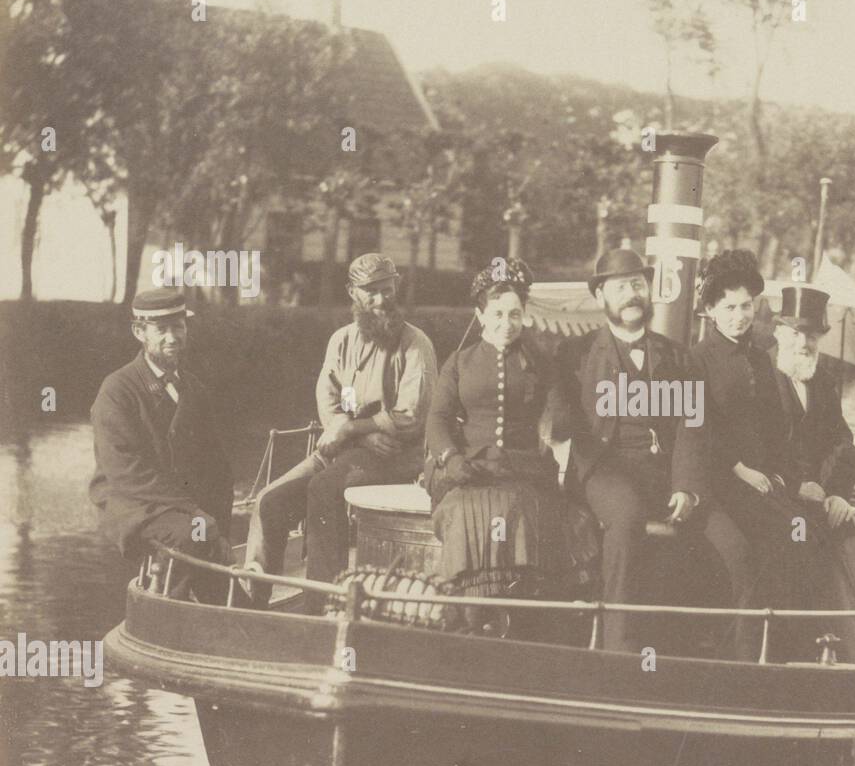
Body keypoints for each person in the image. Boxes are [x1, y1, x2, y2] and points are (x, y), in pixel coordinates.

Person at [553, 248, 751, 654]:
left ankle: (740, 664)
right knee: (625, 524)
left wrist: (688, 488)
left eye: (639, 285)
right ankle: (618, 654)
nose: (632, 294)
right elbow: (563, 425)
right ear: (600, 296)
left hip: (669, 477)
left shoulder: (677, 356)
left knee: (736, 547)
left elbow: (693, 428)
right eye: (621, 286)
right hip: (607, 472)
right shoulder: (576, 355)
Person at [689, 250, 855, 664]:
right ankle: (747, 656)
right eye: (729, 308)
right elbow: (697, 427)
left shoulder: (757, 358)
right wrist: (742, 469)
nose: (739, 316)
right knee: (767, 545)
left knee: (801, 529)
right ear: (712, 310)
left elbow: (775, 433)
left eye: (746, 307)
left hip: (760, 481)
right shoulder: (697, 360)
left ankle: (800, 644)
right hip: (719, 480)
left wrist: (786, 476)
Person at [245, 253, 437, 611]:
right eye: (371, 292)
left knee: (324, 488)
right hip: (347, 448)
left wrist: (351, 428)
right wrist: (357, 432)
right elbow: (329, 401)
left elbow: (411, 416)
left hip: (396, 455)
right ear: (352, 293)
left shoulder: (415, 345)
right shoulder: (341, 342)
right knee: (270, 500)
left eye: (387, 289)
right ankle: (252, 602)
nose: (381, 300)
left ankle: (321, 601)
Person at [424, 259, 598, 617]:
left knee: (519, 508)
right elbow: (437, 419)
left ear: (524, 315)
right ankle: (471, 612)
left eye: (515, 315)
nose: (507, 324)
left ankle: (518, 613)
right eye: (498, 314)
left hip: (523, 469)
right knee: (466, 510)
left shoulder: (540, 362)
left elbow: (559, 414)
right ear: (481, 314)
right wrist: (451, 458)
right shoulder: (459, 362)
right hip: (470, 469)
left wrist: (560, 423)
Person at [768, 283, 855, 654]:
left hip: (817, 495)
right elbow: (757, 447)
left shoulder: (822, 379)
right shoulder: (762, 376)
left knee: (846, 523)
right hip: (774, 494)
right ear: (780, 332)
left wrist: (834, 492)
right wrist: (796, 485)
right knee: (825, 538)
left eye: (813, 336)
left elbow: (841, 442)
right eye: (798, 334)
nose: (805, 344)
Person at [89, 288, 237, 604]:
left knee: (209, 546)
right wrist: (196, 513)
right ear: (139, 332)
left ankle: (223, 611)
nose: (172, 337)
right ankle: (167, 614)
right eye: (162, 329)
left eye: (179, 327)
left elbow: (218, 470)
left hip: (179, 503)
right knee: (188, 535)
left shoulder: (193, 389)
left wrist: (220, 528)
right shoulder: (117, 390)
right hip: (131, 501)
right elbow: (127, 473)